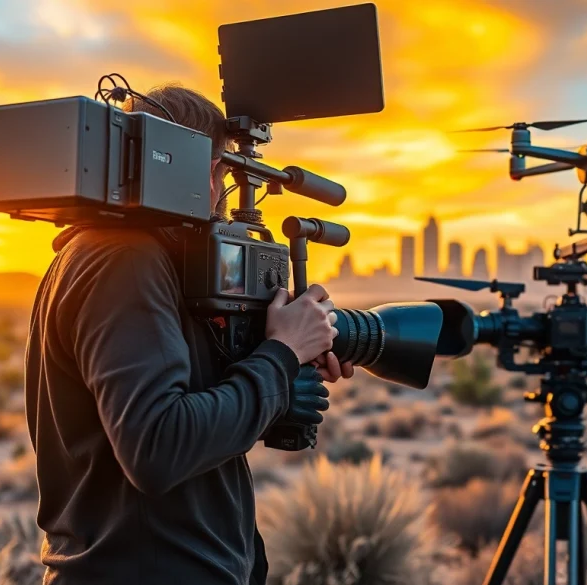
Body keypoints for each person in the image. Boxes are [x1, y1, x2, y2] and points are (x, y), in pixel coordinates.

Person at [24, 83, 354, 585]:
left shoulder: (115, 256)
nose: (223, 189)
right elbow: (158, 447)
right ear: (186, 165)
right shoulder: (125, 262)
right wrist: (281, 356)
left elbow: (169, 410)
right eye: (221, 167)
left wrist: (280, 377)